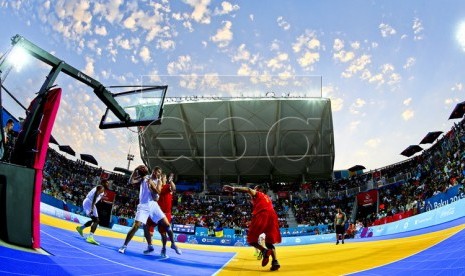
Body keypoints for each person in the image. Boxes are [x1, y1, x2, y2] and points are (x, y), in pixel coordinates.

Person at [119, 166, 181, 256]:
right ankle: (124, 246)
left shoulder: (158, 181)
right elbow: (131, 181)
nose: (157, 173)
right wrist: (135, 170)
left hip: (153, 205)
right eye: (156, 171)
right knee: (136, 226)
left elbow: (157, 192)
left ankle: (172, 244)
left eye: (159, 172)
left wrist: (151, 184)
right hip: (143, 205)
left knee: (167, 225)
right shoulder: (144, 177)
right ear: (152, 171)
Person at [223, 184, 281, 271]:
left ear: (259, 189)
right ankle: (275, 262)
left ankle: (264, 251)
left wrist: (234, 188)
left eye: (256, 188)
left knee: (251, 240)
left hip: (262, 214)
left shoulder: (258, 193)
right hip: (272, 216)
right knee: (269, 242)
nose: (254, 189)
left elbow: (247, 189)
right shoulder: (268, 198)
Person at [143, 172, 179, 257]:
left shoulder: (167, 187)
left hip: (165, 214)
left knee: (163, 233)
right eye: (163, 177)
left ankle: (164, 248)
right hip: (155, 212)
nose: (164, 179)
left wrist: (171, 181)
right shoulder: (156, 187)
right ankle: (150, 246)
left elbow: (174, 188)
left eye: (165, 178)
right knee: (146, 226)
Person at [76, 179, 110, 245]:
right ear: (103, 183)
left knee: (94, 220)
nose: (108, 184)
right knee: (96, 220)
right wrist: (91, 208)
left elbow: (96, 196)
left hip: (89, 202)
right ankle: (90, 237)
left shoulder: (100, 188)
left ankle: (80, 228)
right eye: (107, 183)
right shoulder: (101, 187)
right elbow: (94, 197)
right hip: (89, 203)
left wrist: (102, 199)